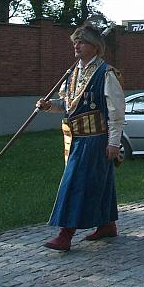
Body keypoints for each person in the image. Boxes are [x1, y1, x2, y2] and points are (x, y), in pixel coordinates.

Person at [36, 23, 125, 252]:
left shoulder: (106, 73)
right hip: (77, 138)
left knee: (75, 184)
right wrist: (49, 106)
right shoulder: (72, 73)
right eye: (75, 41)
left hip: (96, 138)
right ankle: (107, 225)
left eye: (82, 41)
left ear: (95, 47)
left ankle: (65, 234)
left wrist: (114, 143)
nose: (76, 45)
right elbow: (68, 105)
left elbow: (116, 112)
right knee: (100, 182)